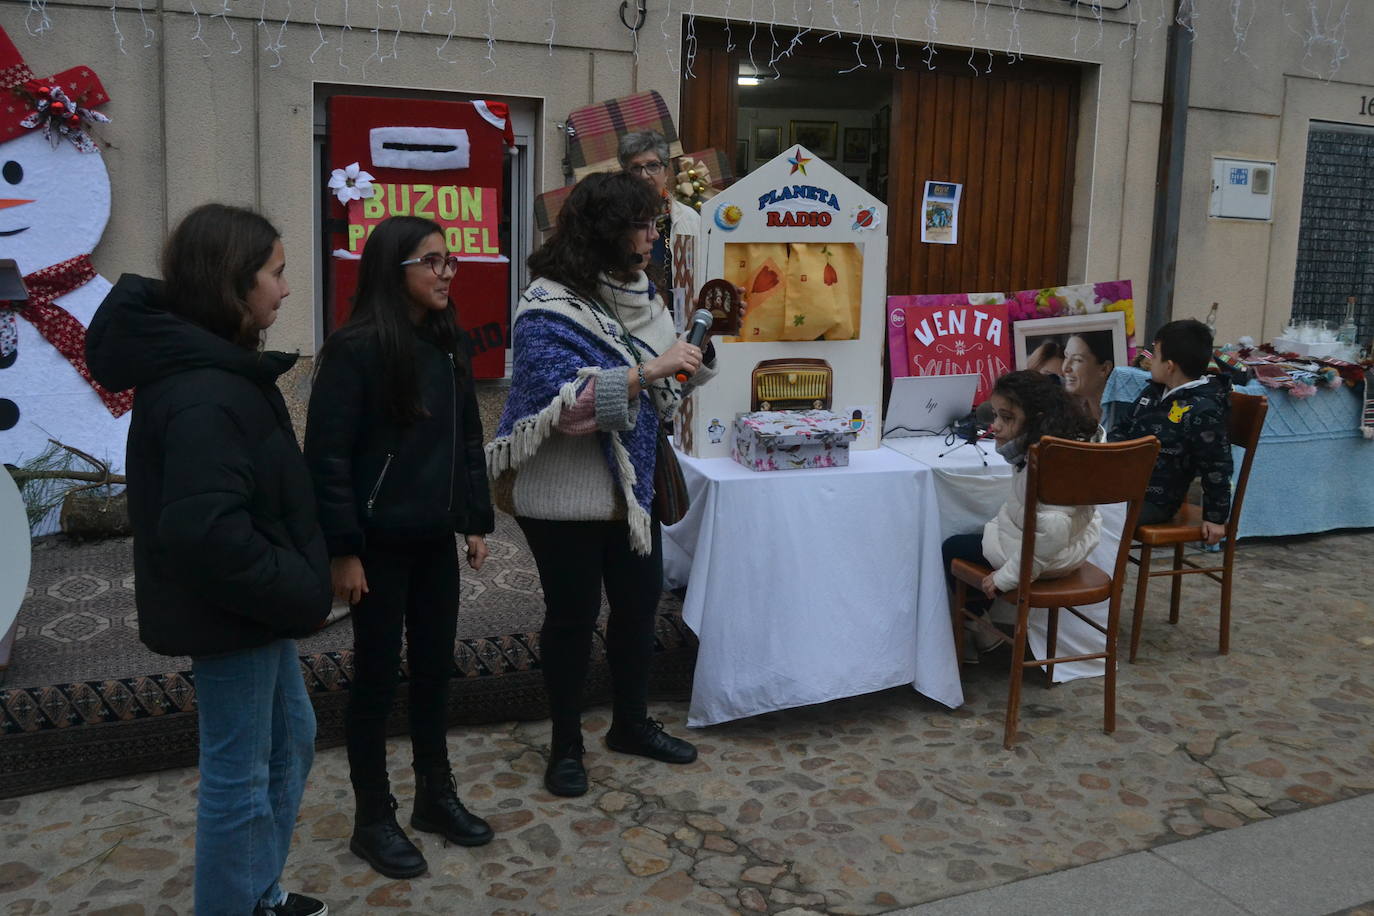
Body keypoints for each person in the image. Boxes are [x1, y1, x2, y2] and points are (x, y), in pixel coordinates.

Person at [86, 204, 332, 916]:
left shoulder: (218, 368)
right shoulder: (203, 391)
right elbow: (205, 533)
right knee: (241, 775)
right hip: (232, 611)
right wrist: (296, 587)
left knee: (292, 741)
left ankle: (257, 893)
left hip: (252, 607)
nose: (286, 290)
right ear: (233, 283)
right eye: (277, 273)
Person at [486, 171, 716, 798]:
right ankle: (565, 746)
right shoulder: (545, 304)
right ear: (606, 230)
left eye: (654, 223)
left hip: (631, 492)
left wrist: (694, 359)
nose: (652, 235)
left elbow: (660, 399)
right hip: (563, 497)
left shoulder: (646, 295)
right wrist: (652, 368)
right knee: (572, 619)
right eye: (642, 224)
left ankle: (632, 725)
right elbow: (566, 410)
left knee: (639, 612)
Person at [304, 216, 495, 879]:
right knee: (377, 679)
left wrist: (474, 520)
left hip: (433, 543)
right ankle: (372, 817)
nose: (446, 273)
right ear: (395, 270)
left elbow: (468, 439)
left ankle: (434, 798)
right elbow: (325, 459)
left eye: (451, 262)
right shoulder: (354, 349)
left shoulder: (447, 344)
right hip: (376, 551)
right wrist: (343, 550)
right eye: (432, 261)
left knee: (435, 671)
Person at [942, 371, 1101, 661]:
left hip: (1048, 556)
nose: (996, 426)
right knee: (981, 532)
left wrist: (1006, 577)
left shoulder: (1048, 464)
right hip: (1062, 547)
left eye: (1007, 418)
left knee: (952, 547)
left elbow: (1052, 528)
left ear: (1036, 418)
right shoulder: (1054, 446)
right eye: (995, 416)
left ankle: (980, 630)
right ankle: (980, 630)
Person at [1108, 318, 1232, 542]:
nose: (1150, 361)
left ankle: (1105, 573)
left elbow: (1217, 465)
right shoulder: (1152, 392)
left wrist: (1215, 517)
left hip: (1156, 500)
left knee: (1096, 516)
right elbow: (1122, 427)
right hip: (1122, 485)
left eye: (1154, 356)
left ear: (1169, 366)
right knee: (1070, 502)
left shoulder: (1203, 410)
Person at [619, 129, 702, 312]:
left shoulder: (689, 219)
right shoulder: (614, 220)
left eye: (653, 166)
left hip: (679, 325)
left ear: (666, 172)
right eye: (635, 168)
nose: (644, 175)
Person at [1061, 330, 1116, 422]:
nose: (1065, 368)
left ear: (1104, 369)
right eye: (1066, 357)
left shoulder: (1123, 413)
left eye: (1077, 360)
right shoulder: (1069, 412)